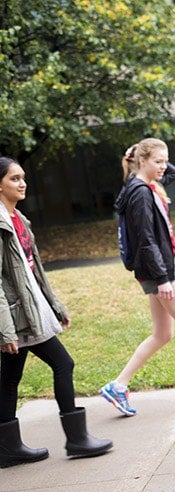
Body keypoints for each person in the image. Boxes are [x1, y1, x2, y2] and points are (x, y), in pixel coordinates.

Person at [0, 156, 113, 467]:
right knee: (64, 363)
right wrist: (5, 329)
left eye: (23, 177)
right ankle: (77, 439)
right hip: (18, 316)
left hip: (32, 307)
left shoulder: (20, 220)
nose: (22, 183)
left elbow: (34, 272)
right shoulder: (0, 224)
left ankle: (7, 449)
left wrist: (55, 305)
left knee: (9, 378)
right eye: (14, 178)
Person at [99, 138, 175, 416]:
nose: (164, 167)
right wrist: (163, 279)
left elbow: (171, 173)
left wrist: (141, 155)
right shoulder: (140, 193)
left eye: (164, 160)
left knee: (163, 333)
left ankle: (118, 385)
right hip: (159, 271)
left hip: (155, 270)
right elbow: (146, 239)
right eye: (157, 161)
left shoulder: (140, 186)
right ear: (143, 162)